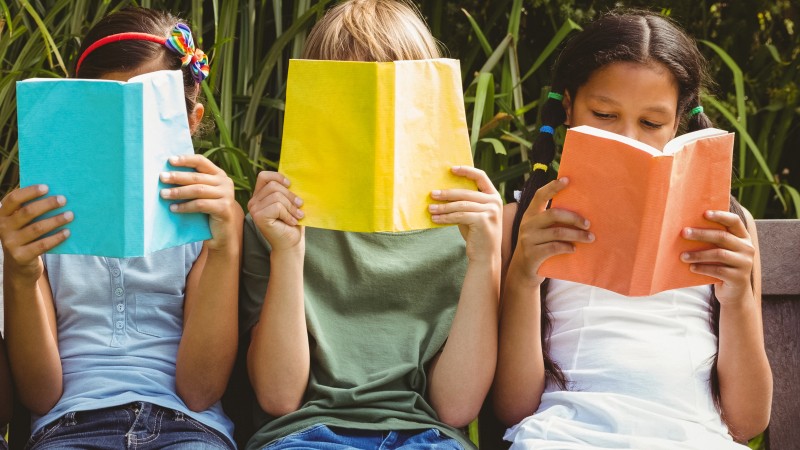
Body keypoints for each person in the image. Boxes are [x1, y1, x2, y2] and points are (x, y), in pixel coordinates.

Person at [494, 10, 773, 449]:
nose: (628, 138)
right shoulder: (524, 223)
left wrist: (736, 298)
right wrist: (524, 278)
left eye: (650, 124)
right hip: (564, 436)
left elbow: (748, 421)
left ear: (679, 120)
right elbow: (512, 408)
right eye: (604, 114)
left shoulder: (726, 228)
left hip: (693, 438)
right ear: (568, 106)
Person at [239, 1, 502, 449]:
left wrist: (484, 260)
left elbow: (457, 407)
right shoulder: (278, 222)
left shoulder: (463, 227)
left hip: (428, 438)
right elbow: (278, 396)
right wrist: (288, 252)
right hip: (304, 436)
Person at [0, 7, 242, 449]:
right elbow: (40, 394)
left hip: (189, 425)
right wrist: (21, 273)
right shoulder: (37, 219)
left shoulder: (211, 217)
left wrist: (225, 246)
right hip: (68, 426)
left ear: (190, 120)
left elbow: (200, 390)